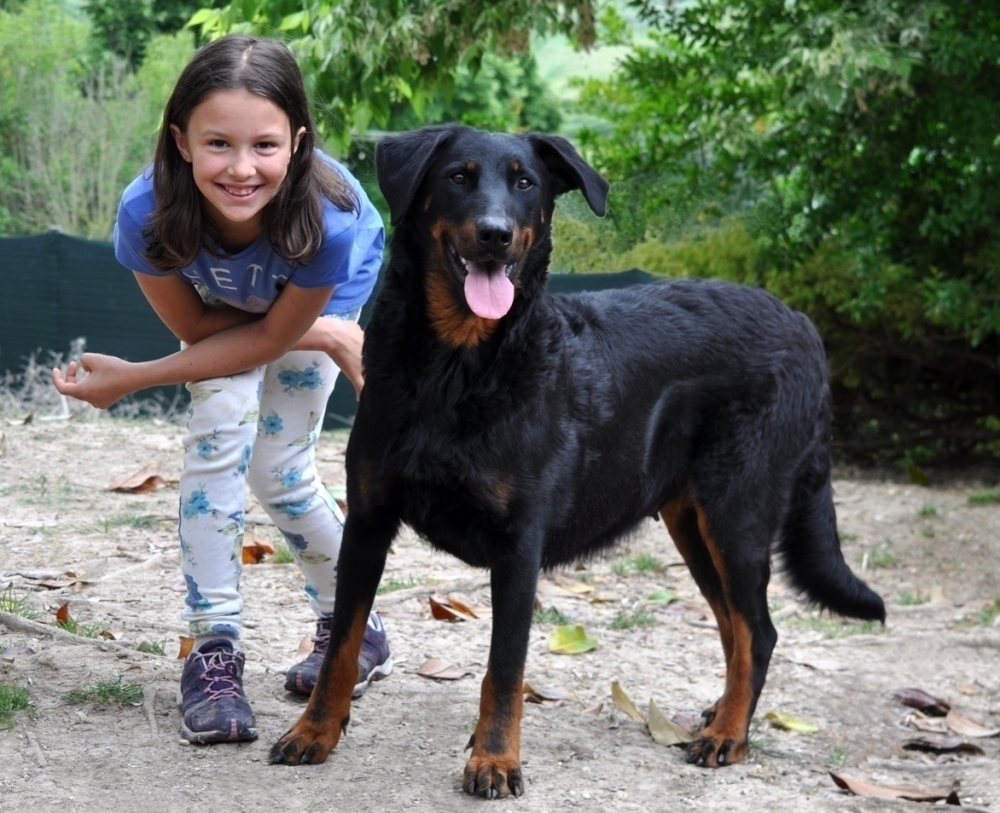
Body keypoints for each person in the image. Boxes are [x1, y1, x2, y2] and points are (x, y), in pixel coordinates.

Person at [51, 34, 391, 745]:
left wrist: (135, 379)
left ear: (297, 143)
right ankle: (214, 648)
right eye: (218, 145)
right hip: (255, 315)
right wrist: (316, 333)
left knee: (279, 467)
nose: (241, 169)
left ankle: (353, 625)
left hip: (324, 299)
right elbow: (202, 328)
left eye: (265, 145)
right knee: (218, 434)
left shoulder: (333, 221)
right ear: (180, 141)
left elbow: (270, 338)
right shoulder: (146, 213)